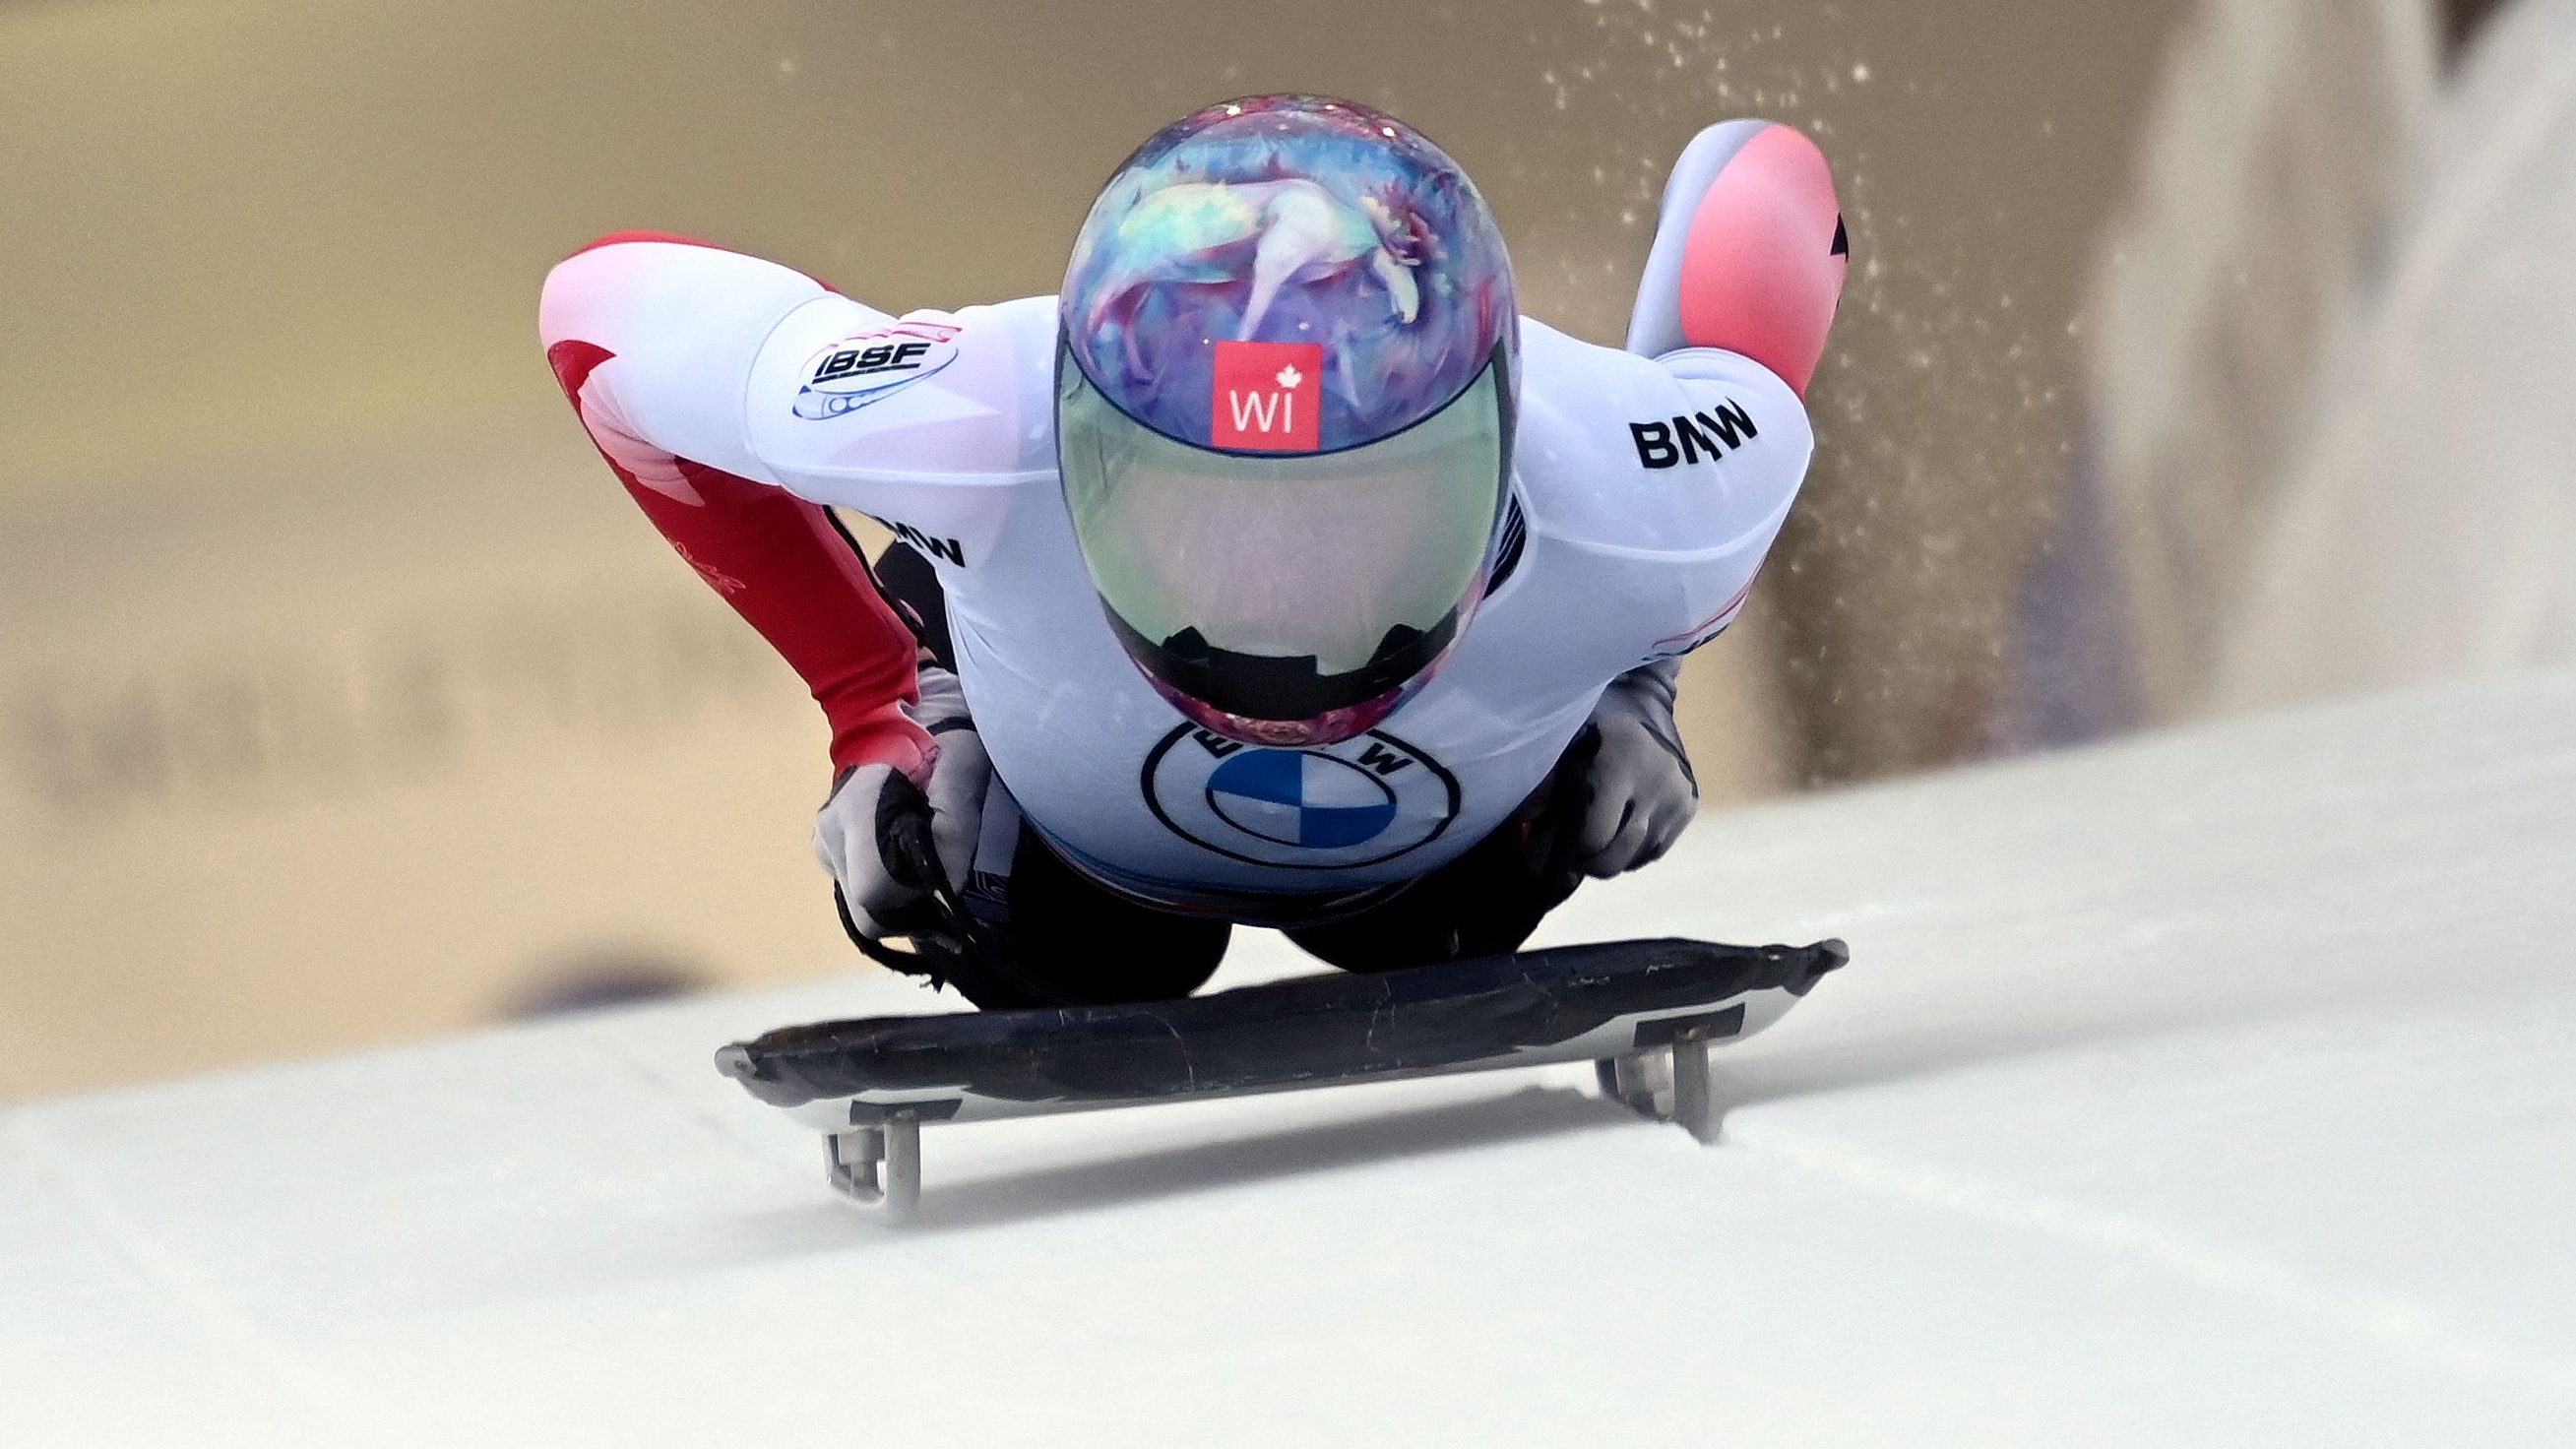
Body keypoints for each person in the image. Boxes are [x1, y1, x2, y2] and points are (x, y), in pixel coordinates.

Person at [538, 95, 1845, 1007]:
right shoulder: (971, 419)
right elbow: (591, 314)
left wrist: (1637, 684)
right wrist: (878, 712)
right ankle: (956, 700)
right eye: (1201, 510)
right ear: (1077, 433)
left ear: (1498, 449)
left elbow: (601, 315)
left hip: (1423, 866)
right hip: (1083, 853)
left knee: (1439, 926)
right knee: (1055, 950)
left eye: (1347, 511)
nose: (1270, 598)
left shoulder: (1645, 491)